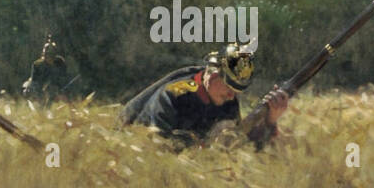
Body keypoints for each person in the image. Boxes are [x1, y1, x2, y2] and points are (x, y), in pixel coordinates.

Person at [119, 43, 288, 148]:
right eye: (229, 87)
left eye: (236, 91)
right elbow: (158, 146)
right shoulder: (173, 96)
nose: (231, 96)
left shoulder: (228, 102)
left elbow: (238, 146)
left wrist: (270, 119)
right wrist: (207, 146)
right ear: (213, 75)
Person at [20, 33, 69, 102]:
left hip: (55, 89)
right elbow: (35, 82)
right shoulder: (37, 65)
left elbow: (63, 79)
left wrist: (60, 92)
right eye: (48, 55)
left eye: (51, 55)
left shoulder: (60, 63)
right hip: (40, 89)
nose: (49, 58)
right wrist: (42, 94)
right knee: (29, 90)